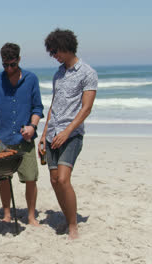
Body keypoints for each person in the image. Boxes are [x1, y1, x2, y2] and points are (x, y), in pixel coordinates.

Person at [40, 28, 98, 239]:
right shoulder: (58, 74)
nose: (54, 55)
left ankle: (73, 225)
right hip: (52, 134)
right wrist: (43, 135)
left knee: (64, 179)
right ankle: (67, 217)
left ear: (66, 47)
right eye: (51, 52)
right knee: (54, 181)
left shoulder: (87, 73)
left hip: (71, 135)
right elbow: (54, 105)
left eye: (55, 51)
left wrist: (67, 132)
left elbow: (86, 108)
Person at [0, 43, 44, 226]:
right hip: (3, 141)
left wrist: (32, 127)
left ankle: (31, 216)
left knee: (31, 178)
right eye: (5, 65)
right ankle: (7, 214)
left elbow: (38, 108)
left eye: (12, 64)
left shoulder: (31, 79)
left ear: (19, 60)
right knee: (4, 179)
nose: (9, 69)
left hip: (25, 141)